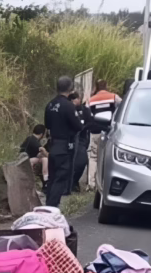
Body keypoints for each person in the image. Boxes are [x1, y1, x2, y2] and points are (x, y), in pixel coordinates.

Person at [44, 76, 83, 207]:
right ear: (70, 89)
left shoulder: (50, 104)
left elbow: (47, 124)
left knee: (52, 177)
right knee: (61, 177)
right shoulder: (68, 106)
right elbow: (78, 126)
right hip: (64, 146)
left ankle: (47, 205)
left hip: (53, 145)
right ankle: (52, 206)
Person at [86, 81, 121, 189]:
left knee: (93, 157)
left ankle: (91, 183)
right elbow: (123, 106)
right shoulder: (113, 97)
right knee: (107, 157)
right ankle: (104, 182)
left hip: (94, 131)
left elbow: (88, 114)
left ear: (96, 87)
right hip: (109, 132)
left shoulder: (91, 100)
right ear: (106, 86)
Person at [70, 92, 92, 192]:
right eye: (73, 100)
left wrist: (83, 128)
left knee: (82, 162)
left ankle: (74, 181)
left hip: (82, 139)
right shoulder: (68, 109)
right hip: (69, 138)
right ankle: (69, 183)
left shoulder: (85, 111)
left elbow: (90, 122)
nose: (76, 101)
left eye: (77, 99)